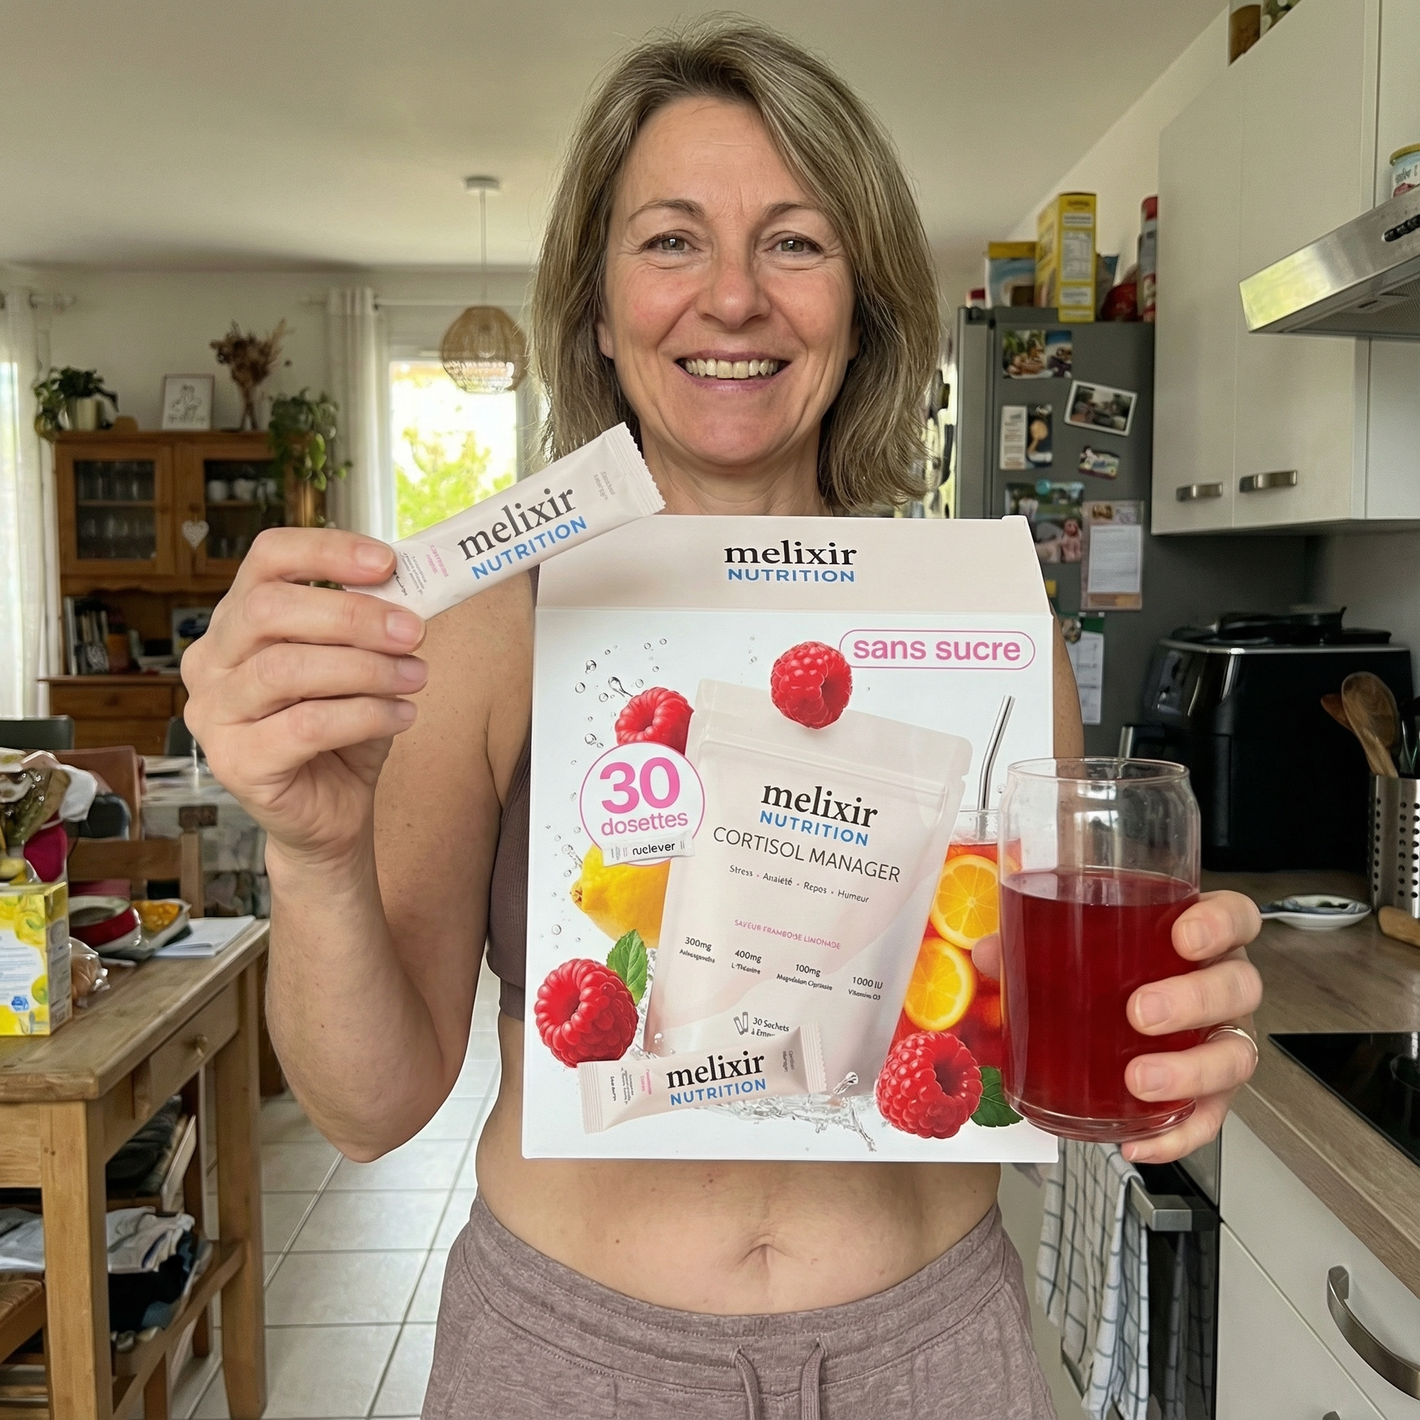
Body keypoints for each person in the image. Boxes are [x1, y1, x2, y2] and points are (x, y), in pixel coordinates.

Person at [183, 22, 1262, 1419]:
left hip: (933, 1358)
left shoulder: (986, 626)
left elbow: (1045, 1024)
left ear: (864, 305)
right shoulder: (490, 626)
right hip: (571, 1365)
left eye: (795, 242)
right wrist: (314, 855)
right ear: (597, 304)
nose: (735, 298)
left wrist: (1158, 1041)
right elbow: (367, 1109)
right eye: (672, 241)